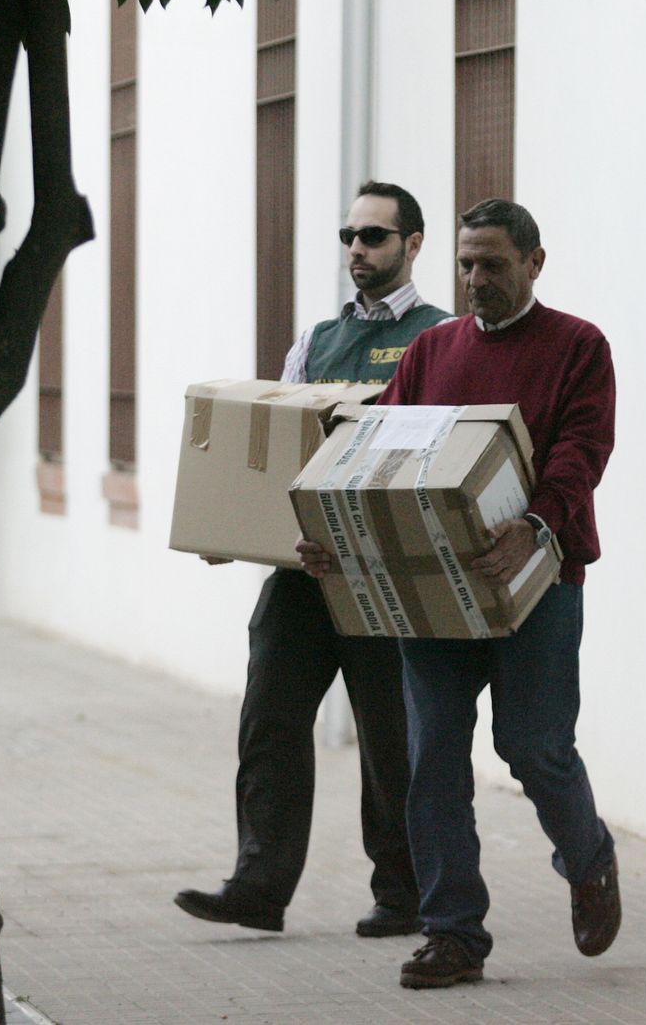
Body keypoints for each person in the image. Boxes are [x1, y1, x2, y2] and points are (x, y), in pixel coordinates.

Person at [298, 197, 621, 989]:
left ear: (534, 264)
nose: (476, 279)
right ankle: (452, 933)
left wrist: (536, 520)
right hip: (434, 587)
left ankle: (589, 857)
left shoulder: (578, 345)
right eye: (466, 265)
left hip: (536, 577)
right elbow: (382, 458)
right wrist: (339, 539)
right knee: (433, 755)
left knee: (533, 746)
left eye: (494, 265)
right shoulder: (433, 349)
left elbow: (583, 447)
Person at [175, 181, 452, 938]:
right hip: (301, 570)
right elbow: (281, 455)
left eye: (375, 237)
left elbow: (435, 454)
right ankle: (258, 886)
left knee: (390, 738)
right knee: (269, 721)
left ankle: (402, 894)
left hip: (379, 571)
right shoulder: (316, 341)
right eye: (350, 237)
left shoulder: (440, 338)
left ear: (413, 244)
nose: (358, 250)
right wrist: (234, 525)